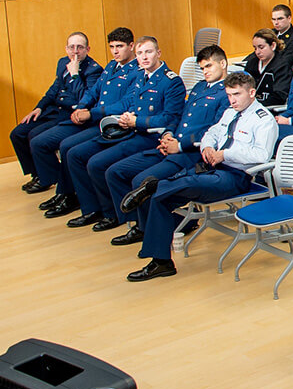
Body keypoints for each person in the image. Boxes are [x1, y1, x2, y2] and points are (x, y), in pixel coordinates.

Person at [123, 71, 278, 282]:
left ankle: (153, 186)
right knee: (161, 198)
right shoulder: (230, 113)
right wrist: (207, 147)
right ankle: (161, 262)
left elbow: (261, 155)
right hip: (212, 167)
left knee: (186, 181)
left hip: (236, 176)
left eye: (237, 94)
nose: (232, 99)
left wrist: (225, 154)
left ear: (252, 92)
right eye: (229, 94)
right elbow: (212, 133)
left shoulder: (264, 120)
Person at [102, 45, 232, 241]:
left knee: (141, 181)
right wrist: (168, 133)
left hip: (191, 154)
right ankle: (146, 222)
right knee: (116, 171)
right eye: (202, 68)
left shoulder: (229, 93)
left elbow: (214, 132)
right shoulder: (199, 87)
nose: (205, 71)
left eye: (209, 66)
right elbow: (180, 116)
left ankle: (149, 230)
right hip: (171, 145)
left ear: (222, 64)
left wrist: (179, 145)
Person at [64, 36, 187, 228]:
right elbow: (131, 102)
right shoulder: (140, 76)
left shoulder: (171, 81)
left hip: (151, 136)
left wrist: (136, 121)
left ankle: (132, 221)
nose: (144, 57)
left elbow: (170, 119)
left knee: (102, 166)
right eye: (140, 53)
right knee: (85, 158)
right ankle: (108, 212)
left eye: (149, 52)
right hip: (129, 130)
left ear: (159, 53)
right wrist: (126, 116)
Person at [37, 29, 139, 216]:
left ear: (131, 46)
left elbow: (125, 104)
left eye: (120, 47)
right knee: (66, 146)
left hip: (111, 123)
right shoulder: (111, 66)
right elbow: (95, 91)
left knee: (72, 150)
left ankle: (90, 206)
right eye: (112, 47)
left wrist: (90, 113)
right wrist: (81, 106)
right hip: (95, 118)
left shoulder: (137, 71)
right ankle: (71, 196)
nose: (115, 51)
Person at [11, 32, 103, 193]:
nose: (75, 51)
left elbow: (84, 99)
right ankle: (38, 174)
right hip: (54, 109)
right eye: (72, 47)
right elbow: (54, 90)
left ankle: (52, 180)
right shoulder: (62, 63)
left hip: (70, 114)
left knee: (35, 135)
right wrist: (39, 107)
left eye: (80, 47)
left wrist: (75, 75)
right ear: (66, 48)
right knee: (18, 133)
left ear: (87, 49)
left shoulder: (93, 70)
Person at [244, 29, 293, 107]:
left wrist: (255, 106)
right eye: (255, 48)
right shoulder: (251, 63)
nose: (257, 52)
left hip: (269, 109)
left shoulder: (282, 66)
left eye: (261, 47)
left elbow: (279, 96)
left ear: (273, 46)